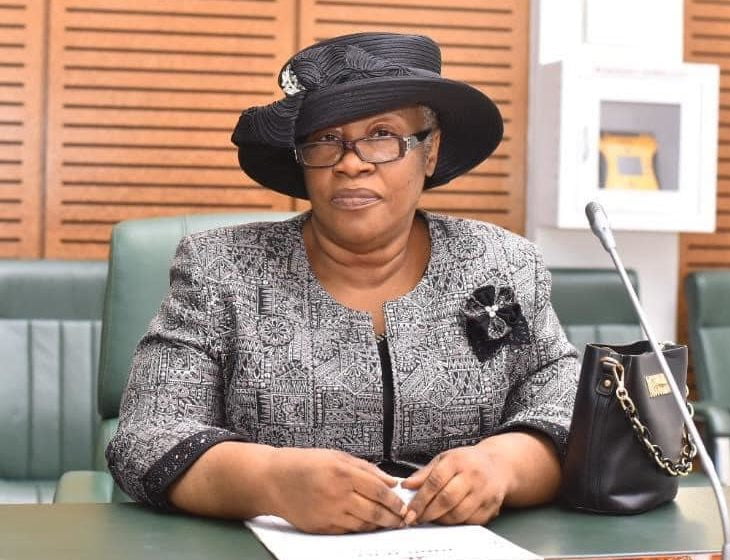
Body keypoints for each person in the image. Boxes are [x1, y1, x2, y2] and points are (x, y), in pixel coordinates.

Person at [106, 32, 579, 535]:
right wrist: (270, 481)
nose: (351, 162)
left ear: (430, 151)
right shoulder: (221, 268)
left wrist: (502, 466)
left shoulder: (500, 264)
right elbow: (146, 436)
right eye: (326, 139)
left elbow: (569, 410)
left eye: (382, 134)